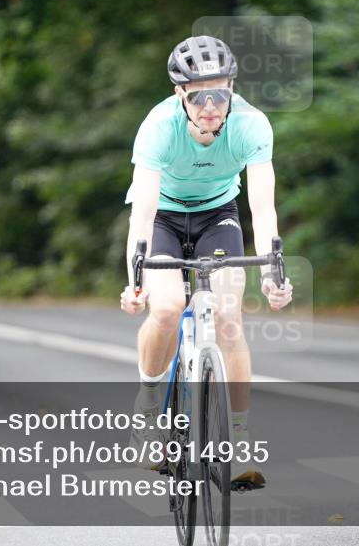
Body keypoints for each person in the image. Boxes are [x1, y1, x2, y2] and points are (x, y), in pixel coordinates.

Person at [119, 35, 293, 489]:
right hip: (165, 216)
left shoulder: (252, 125)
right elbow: (142, 212)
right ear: (181, 95)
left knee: (230, 317)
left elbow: (263, 204)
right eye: (199, 96)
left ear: (232, 87)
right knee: (167, 307)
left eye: (221, 93)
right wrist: (135, 277)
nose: (212, 106)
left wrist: (275, 270)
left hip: (219, 214)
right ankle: (148, 409)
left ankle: (237, 439)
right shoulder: (157, 127)